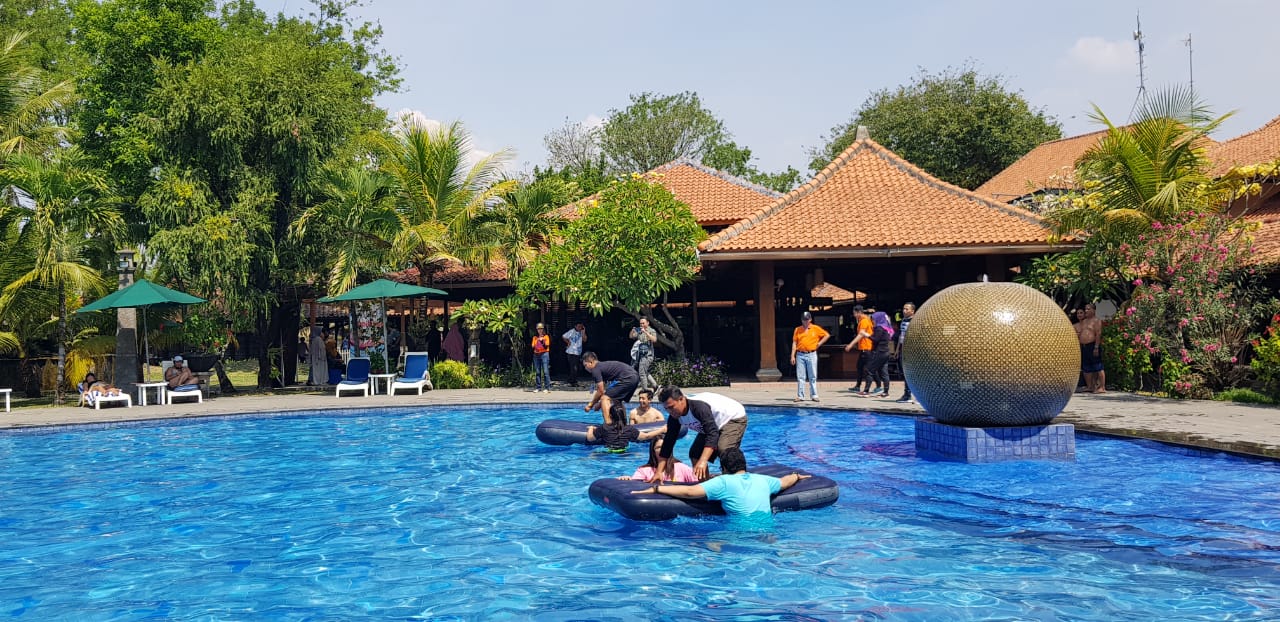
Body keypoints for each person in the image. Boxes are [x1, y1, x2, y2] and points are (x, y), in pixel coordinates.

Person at [634, 447, 810, 522]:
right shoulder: (762, 479)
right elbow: (785, 482)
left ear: (724, 467)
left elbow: (689, 492)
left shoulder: (723, 482)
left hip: (738, 534)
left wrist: (657, 488)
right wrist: (796, 475)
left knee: (707, 549)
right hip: (768, 532)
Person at [650, 386, 748, 482]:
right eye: (666, 408)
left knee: (724, 449)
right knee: (695, 453)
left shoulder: (698, 408)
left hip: (732, 417)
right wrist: (659, 471)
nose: (670, 412)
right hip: (713, 424)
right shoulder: (675, 416)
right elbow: (668, 442)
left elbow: (712, 434)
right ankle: (705, 485)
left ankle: (733, 483)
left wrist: (703, 460)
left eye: (671, 407)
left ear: (681, 399)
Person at [585, 401, 665, 452]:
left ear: (610, 416)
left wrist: (591, 428)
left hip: (608, 452)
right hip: (625, 452)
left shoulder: (604, 427)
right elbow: (646, 436)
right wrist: (662, 430)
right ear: (624, 416)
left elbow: (590, 438)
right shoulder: (629, 429)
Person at [618, 435, 698, 483]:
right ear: (653, 451)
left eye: (665, 447)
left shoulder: (681, 467)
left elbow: (698, 484)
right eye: (658, 447)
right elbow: (634, 486)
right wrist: (627, 479)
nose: (662, 450)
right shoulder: (644, 470)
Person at [582, 351, 640, 416]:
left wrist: (590, 405)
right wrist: (599, 404)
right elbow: (609, 389)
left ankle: (608, 424)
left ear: (591, 362)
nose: (585, 368)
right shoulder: (602, 366)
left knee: (604, 398)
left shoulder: (595, 370)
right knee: (617, 400)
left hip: (627, 378)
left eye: (585, 365)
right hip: (635, 377)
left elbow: (600, 391)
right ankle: (622, 422)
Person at [789, 311, 830, 402]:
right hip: (800, 354)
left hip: (811, 354)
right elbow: (794, 343)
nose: (805, 321)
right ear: (801, 320)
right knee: (800, 376)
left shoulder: (815, 328)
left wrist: (819, 344)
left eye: (807, 319)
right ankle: (800, 396)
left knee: (813, 376)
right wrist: (792, 356)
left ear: (810, 319)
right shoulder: (798, 329)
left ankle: (814, 395)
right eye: (804, 320)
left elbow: (826, 335)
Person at [860, 311, 894, 398]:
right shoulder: (887, 328)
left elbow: (875, 339)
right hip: (886, 352)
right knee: (884, 372)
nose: (873, 322)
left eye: (874, 320)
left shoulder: (879, 328)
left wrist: (866, 335)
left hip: (879, 352)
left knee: (870, 370)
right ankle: (886, 392)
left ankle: (866, 391)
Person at [844, 306, 875, 393]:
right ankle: (858, 386)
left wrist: (851, 345)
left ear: (858, 312)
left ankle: (869, 388)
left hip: (867, 348)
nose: (854, 315)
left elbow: (860, 335)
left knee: (868, 369)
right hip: (864, 348)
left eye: (854, 313)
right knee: (860, 367)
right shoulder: (864, 320)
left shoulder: (864, 321)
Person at [1079, 302, 1106, 393]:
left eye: (1088, 309)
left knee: (1098, 366)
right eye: (1085, 309)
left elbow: (1098, 334)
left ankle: (1102, 387)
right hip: (1084, 346)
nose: (1086, 311)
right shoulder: (1084, 321)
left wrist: (1096, 347)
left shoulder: (1097, 321)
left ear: (1093, 310)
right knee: (1086, 367)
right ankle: (1090, 386)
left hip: (1092, 345)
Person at [629, 317, 658, 391]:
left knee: (642, 372)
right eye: (640, 323)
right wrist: (632, 331)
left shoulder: (651, 330)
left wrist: (645, 332)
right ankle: (655, 385)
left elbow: (654, 340)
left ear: (648, 323)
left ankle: (645, 389)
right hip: (640, 355)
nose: (641, 324)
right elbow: (631, 337)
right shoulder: (639, 331)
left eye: (643, 323)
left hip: (648, 355)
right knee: (644, 371)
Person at [895, 303, 916, 402]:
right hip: (902, 348)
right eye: (903, 309)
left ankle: (909, 394)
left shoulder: (915, 321)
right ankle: (907, 393)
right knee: (904, 371)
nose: (904, 311)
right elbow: (901, 336)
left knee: (909, 372)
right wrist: (897, 349)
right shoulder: (903, 320)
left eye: (907, 309)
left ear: (912, 311)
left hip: (910, 349)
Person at [562, 322, 587, 386]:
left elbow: (584, 340)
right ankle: (573, 381)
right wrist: (568, 342)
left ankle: (571, 379)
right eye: (578, 326)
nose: (579, 328)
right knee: (574, 367)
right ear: (575, 326)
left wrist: (583, 332)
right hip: (571, 351)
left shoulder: (581, 332)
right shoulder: (571, 331)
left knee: (575, 367)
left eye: (581, 326)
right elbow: (564, 336)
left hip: (578, 352)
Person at [531, 323, 552, 393]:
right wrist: (538, 340)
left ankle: (547, 387)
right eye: (538, 329)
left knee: (546, 371)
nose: (540, 330)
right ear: (536, 330)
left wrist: (542, 340)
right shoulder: (535, 337)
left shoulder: (546, 336)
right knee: (537, 372)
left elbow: (547, 345)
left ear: (543, 329)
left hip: (544, 354)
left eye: (541, 329)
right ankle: (538, 387)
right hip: (536, 355)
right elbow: (533, 346)